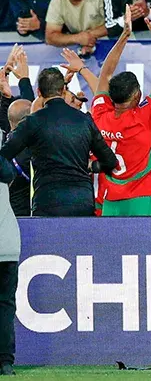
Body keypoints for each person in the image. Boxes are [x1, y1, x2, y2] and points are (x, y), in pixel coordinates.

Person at [76, 4, 151, 216]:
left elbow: (105, 75)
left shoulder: (100, 114)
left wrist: (124, 35)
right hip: (143, 197)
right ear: (137, 96)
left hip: (111, 198)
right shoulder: (143, 116)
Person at [0, 66, 117, 216]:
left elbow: (3, 156)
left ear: (39, 93)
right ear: (63, 91)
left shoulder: (32, 122)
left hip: (47, 203)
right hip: (82, 203)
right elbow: (110, 162)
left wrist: (9, 176)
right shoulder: (85, 121)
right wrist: (90, 167)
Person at [0, 107, 16, 375]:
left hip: (7, 242)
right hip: (6, 241)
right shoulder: (4, 169)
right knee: (4, 303)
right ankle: (5, 362)